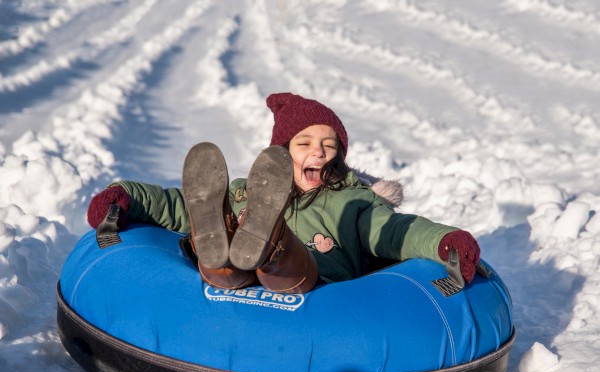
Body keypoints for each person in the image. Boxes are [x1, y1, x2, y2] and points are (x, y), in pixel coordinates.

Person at [87, 92, 480, 294]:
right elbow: (176, 206)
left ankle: (264, 245)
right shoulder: (245, 192)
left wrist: (445, 242)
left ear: (339, 156)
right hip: (243, 282)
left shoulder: (354, 202)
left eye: (330, 144)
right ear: (282, 152)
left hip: (316, 288)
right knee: (218, 227)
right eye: (304, 142)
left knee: (285, 261)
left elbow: (397, 232)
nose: (319, 151)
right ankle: (220, 249)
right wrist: (124, 197)